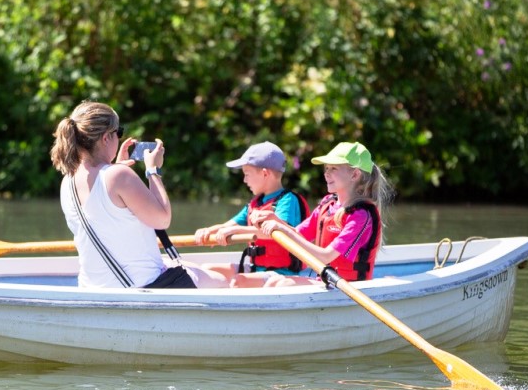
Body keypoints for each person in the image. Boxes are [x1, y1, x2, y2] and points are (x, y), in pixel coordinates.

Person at [50, 101, 229, 289]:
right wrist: (153, 170)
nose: (119, 138)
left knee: (190, 266)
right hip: (141, 286)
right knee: (222, 282)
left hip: (93, 287)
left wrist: (114, 168)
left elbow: (107, 209)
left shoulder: (67, 181)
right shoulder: (119, 176)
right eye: (118, 132)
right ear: (105, 138)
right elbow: (162, 219)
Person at [257, 142, 393, 287]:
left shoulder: (361, 215)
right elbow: (298, 233)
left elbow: (326, 256)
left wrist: (283, 228)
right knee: (275, 281)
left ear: (354, 174)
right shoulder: (328, 205)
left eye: (334, 168)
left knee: (282, 285)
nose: (326, 173)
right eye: (326, 168)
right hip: (325, 282)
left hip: (348, 287)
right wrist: (276, 221)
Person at [193, 141, 310, 287]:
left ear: (265, 173)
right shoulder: (255, 203)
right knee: (206, 270)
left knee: (238, 281)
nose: (244, 180)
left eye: (247, 174)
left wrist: (235, 230)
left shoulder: (287, 201)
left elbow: (277, 232)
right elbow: (227, 226)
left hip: (283, 273)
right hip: (257, 268)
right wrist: (208, 231)